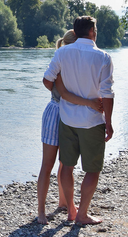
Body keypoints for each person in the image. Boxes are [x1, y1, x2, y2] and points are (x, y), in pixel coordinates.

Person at [43, 16, 114, 225]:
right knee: (92, 169)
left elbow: (47, 80)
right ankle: (82, 215)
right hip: (92, 121)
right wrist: (108, 123)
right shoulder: (103, 57)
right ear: (92, 31)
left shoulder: (62, 52)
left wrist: (64, 96)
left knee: (67, 166)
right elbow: (107, 94)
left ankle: (71, 211)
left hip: (67, 119)